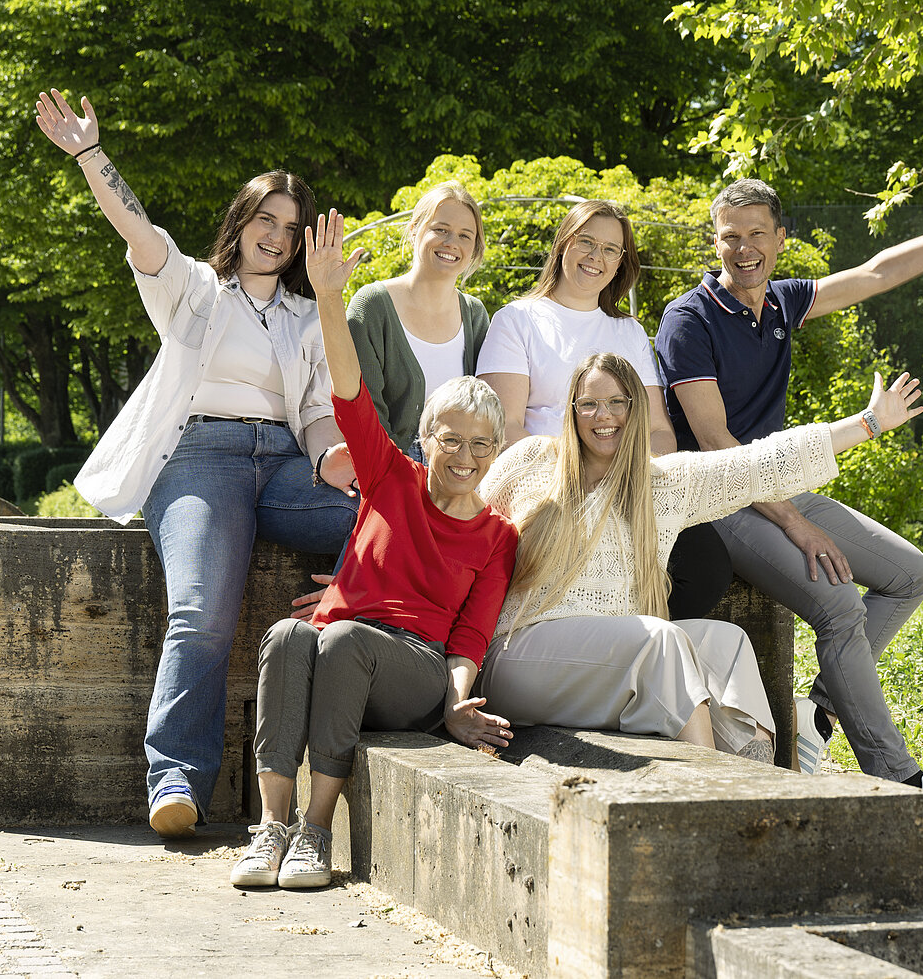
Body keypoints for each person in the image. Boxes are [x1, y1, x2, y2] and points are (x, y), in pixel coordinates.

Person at [654, 173, 923, 818]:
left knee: (909, 573)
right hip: (718, 501)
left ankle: (818, 718)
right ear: (713, 244)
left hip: (778, 484)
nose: (742, 249)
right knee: (837, 606)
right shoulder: (689, 322)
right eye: (728, 238)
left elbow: (878, 273)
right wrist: (800, 527)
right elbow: (718, 446)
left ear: (780, 239)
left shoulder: (779, 305)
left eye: (755, 235)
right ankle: (904, 785)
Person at [35, 88, 361, 838]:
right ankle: (176, 780)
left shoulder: (309, 317)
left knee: (375, 514)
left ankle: (348, 606)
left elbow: (313, 410)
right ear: (240, 223)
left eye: (289, 226)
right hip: (201, 460)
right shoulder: (192, 290)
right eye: (264, 219)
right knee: (201, 613)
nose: (275, 236)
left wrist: (332, 457)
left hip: (283, 462)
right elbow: (141, 234)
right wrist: (91, 154)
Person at [229, 210, 517, 890]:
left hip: (411, 671)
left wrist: (454, 704)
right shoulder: (391, 475)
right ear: (425, 437)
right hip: (343, 641)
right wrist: (330, 296)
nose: (464, 456)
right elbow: (348, 388)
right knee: (288, 637)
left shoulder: (497, 535)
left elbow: (470, 638)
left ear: (496, 450)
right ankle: (272, 829)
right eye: (450, 439)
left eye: (480, 444)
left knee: (339, 641)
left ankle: (317, 832)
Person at [476, 351, 923, 764]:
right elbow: (462, 532)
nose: (604, 416)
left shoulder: (664, 484)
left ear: (636, 411)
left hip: (610, 657)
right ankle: (710, 790)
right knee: (661, 641)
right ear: (571, 412)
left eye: (617, 402)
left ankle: (756, 775)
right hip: (520, 654)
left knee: (725, 644)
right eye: (588, 404)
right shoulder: (531, 459)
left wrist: (867, 423)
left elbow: (758, 463)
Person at [477, 199, 731, 618]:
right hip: (552, 490)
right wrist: (583, 475)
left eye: (611, 249)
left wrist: (633, 479)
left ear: (620, 264)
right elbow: (505, 430)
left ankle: (640, 663)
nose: (597, 257)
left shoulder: (627, 331)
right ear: (563, 245)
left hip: (629, 486)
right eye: (586, 242)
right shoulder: (517, 320)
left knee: (707, 567)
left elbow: (658, 431)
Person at [347, 183, 489, 460]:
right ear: (414, 230)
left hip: (461, 464)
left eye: (464, 236)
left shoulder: (475, 315)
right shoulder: (372, 305)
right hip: (390, 461)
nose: (452, 243)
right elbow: (364, 409)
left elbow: (486, 409)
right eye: (441, 229)